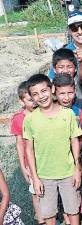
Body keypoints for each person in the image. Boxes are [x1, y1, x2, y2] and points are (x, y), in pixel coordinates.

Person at [23, 74, 82, 225]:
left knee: (73, 210)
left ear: (52, 89)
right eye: (35, 94)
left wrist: (77, 169)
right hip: (44, 175)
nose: (41, 96)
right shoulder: (30, 120)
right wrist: (35, 178)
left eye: (44, 91)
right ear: (31, 97)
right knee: (49, 214)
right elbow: (29, 150)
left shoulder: (68, 114)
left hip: (68, 173)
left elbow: (74, 141)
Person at [9, 81, 41, 224]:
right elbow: (19, 145)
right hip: (31, 162)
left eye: (34, 98)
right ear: (21, 101)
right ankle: (41, 219)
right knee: (36, 192)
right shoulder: (19, 119)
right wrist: (23, 166)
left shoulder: (43, 113)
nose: (34, 102)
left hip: (47, 159)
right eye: (29, 100)